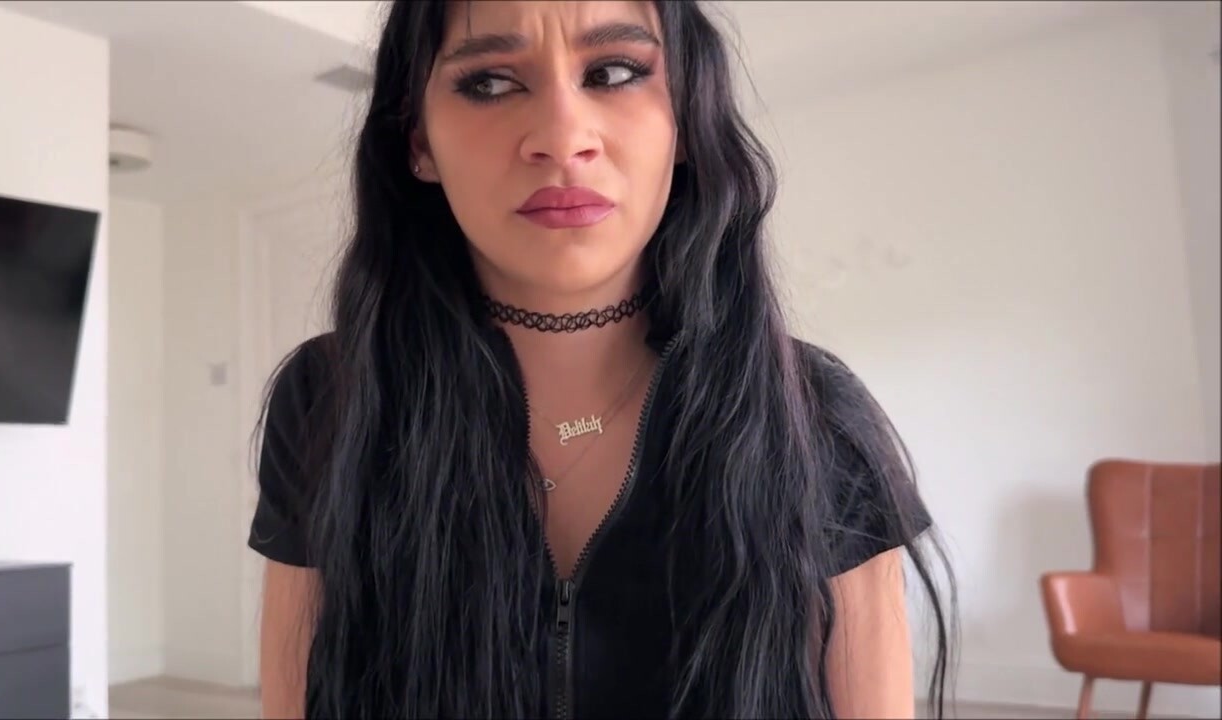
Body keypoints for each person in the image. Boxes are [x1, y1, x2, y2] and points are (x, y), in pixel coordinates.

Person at [247, 1, 953, 718]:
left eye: (614, 72)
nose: (562, 138)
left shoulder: (815, 413)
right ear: (419, 143)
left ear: (685, 121)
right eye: (489, 82)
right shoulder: (329, 395)